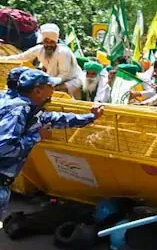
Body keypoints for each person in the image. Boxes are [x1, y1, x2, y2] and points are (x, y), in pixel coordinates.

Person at [0, 69, 103, 213]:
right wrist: (37, 137)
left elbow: (54, 119)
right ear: (37, 91)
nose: (53, 91)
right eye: (50, 86)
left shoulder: (21, 106)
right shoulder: (18, 111)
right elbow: (4, 146)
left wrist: (90, 117)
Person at [0, 24, 83, 98]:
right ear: (43, 41)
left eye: (52, 42)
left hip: (71, 80)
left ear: (56, 41)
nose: (49, 45)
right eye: (47, 42)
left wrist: (50, 84)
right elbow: (20, 57)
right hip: (52, 80)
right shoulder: (39, 50)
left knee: (56, 92)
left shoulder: (63, 52)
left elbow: (64, 74)